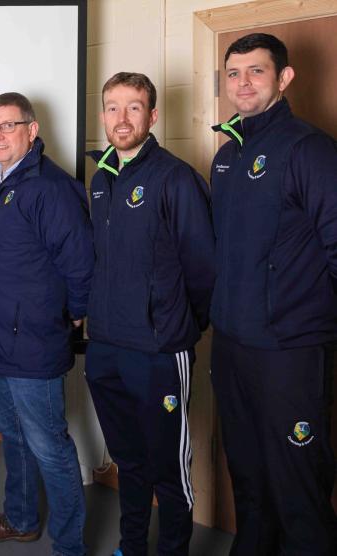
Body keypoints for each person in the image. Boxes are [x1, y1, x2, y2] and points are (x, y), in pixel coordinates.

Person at [210, 32, 337, 555]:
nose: (243, 83)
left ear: (284, 78)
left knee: (297, 485)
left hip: (290, 350)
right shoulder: (225, 157)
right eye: (233, 73)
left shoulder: (309, 150)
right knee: (248, 477)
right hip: (232, 345)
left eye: (256, 71)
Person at [85, 73, 215, 556]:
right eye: (112, 107)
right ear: (103, 115)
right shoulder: (100, 181)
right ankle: (132, 546)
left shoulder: (175, 178)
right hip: (105, 347)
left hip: (158, 350)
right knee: (129, 460)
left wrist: (178, 326)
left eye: (134, 107)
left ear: (153, 115)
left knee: (167, 466)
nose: (122, 118)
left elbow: (203, 268)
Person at [0, 92, 93, 556]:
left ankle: (70, 546)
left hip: (32, 341)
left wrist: (71, 313)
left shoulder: (50, 188)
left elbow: (80, 264)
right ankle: (20, 519)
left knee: (50, 447)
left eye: (8, 125)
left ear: (32, 130)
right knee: (14, 437)